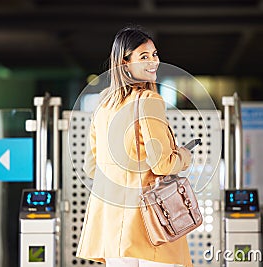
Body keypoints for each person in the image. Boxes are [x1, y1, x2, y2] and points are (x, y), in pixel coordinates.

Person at [76, 25, 193, 267]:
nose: (154, 62)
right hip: (150, 226)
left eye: (154, 54)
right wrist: (184, 155)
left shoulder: (103, 102)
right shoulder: (149, 101)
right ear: (125, 63)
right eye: (144, 56)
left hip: (109, 227)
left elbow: (91, 167)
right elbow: (162, 164)